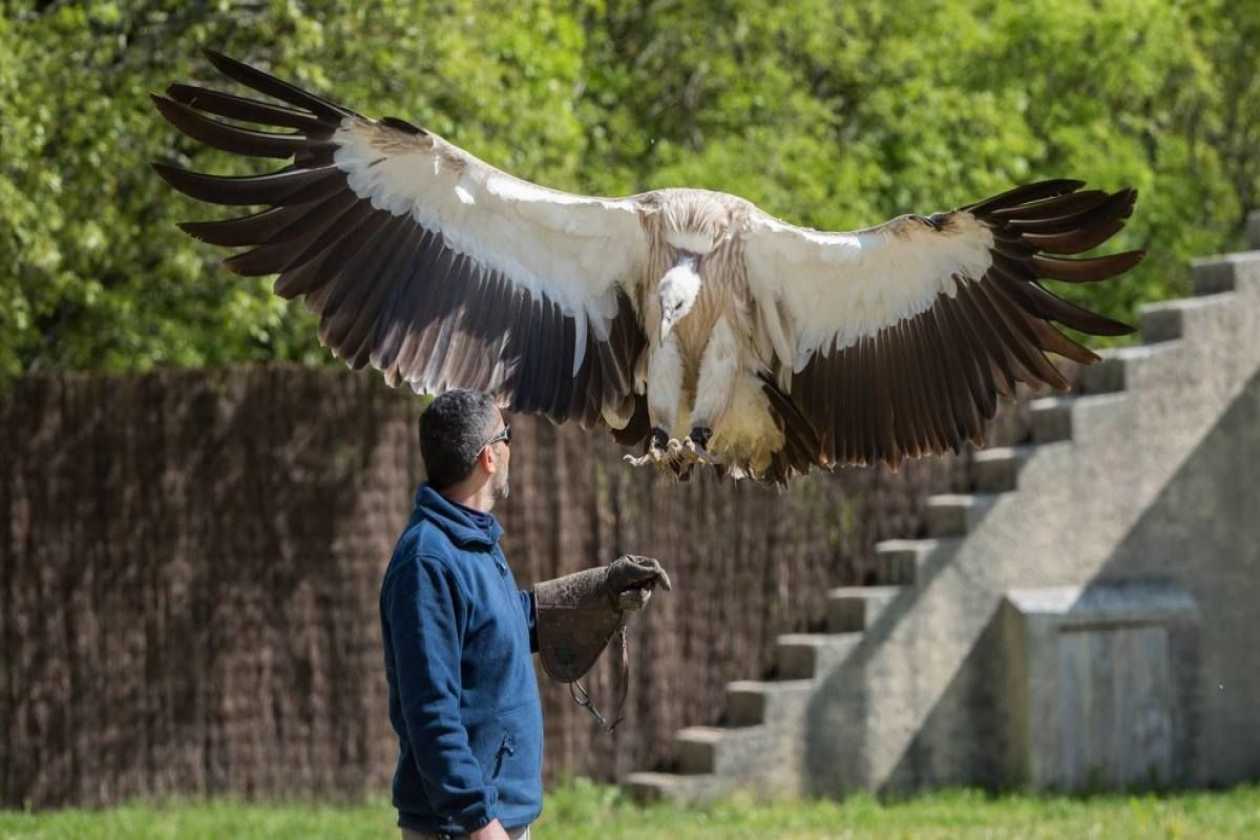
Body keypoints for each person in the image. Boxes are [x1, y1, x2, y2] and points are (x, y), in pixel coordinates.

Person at [380, 390, 670, 840]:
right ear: (488, 458)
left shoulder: (472, 544)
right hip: (461, 828)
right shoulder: (428, 562)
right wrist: (476, 819)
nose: (513, 446)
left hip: (495, 817)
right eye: (507, 436)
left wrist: (602, 591)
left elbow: (505, 621)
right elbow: (430, 710)